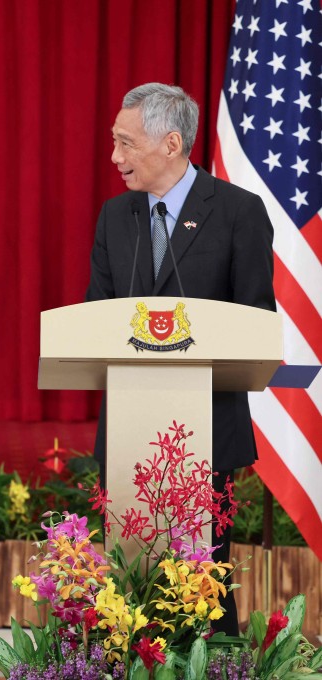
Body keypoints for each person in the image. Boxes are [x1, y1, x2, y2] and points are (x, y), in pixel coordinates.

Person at [85, 83, 276, 636]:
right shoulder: (116, 216)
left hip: (207, 427)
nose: (115, 157)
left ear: (171, 143)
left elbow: (255, 320)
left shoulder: (239, 211)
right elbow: (97, 319)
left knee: (204, 584)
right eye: (113, 142)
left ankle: (217, 667)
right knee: (129, 580)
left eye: (125, 143)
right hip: (129, 430)